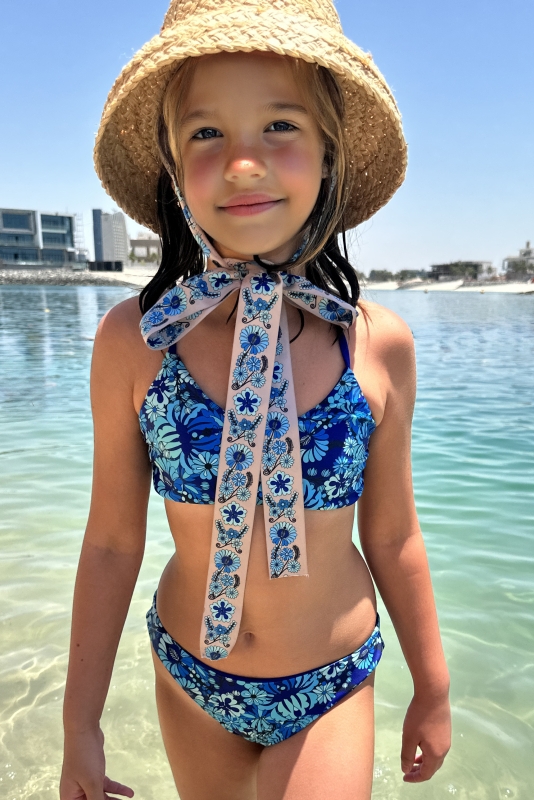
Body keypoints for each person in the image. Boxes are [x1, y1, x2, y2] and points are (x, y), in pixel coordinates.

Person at [60, 1, 451, 798]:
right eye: (207, 133)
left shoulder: (375, 344)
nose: (243, 163)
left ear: (329, 153)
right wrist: (80, 724)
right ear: (172, 165)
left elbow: (395, 535)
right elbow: (110, 545)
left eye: (280, 125)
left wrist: (434, 687)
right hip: (191, 676)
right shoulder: (137, 341)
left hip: (329, 682)